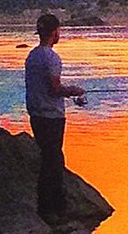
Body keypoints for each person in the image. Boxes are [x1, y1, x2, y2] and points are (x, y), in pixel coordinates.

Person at [25, 14, 85, 221]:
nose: (60, 34)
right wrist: (73, 90)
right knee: (53, 161)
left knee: (49, 158)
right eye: (59, 30)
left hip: (36, 113)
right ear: (54, 32)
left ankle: (53, 206)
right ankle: (51, 209)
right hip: (51, 116)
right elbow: (54, 88)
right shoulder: (52, 58)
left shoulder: (32, 56)